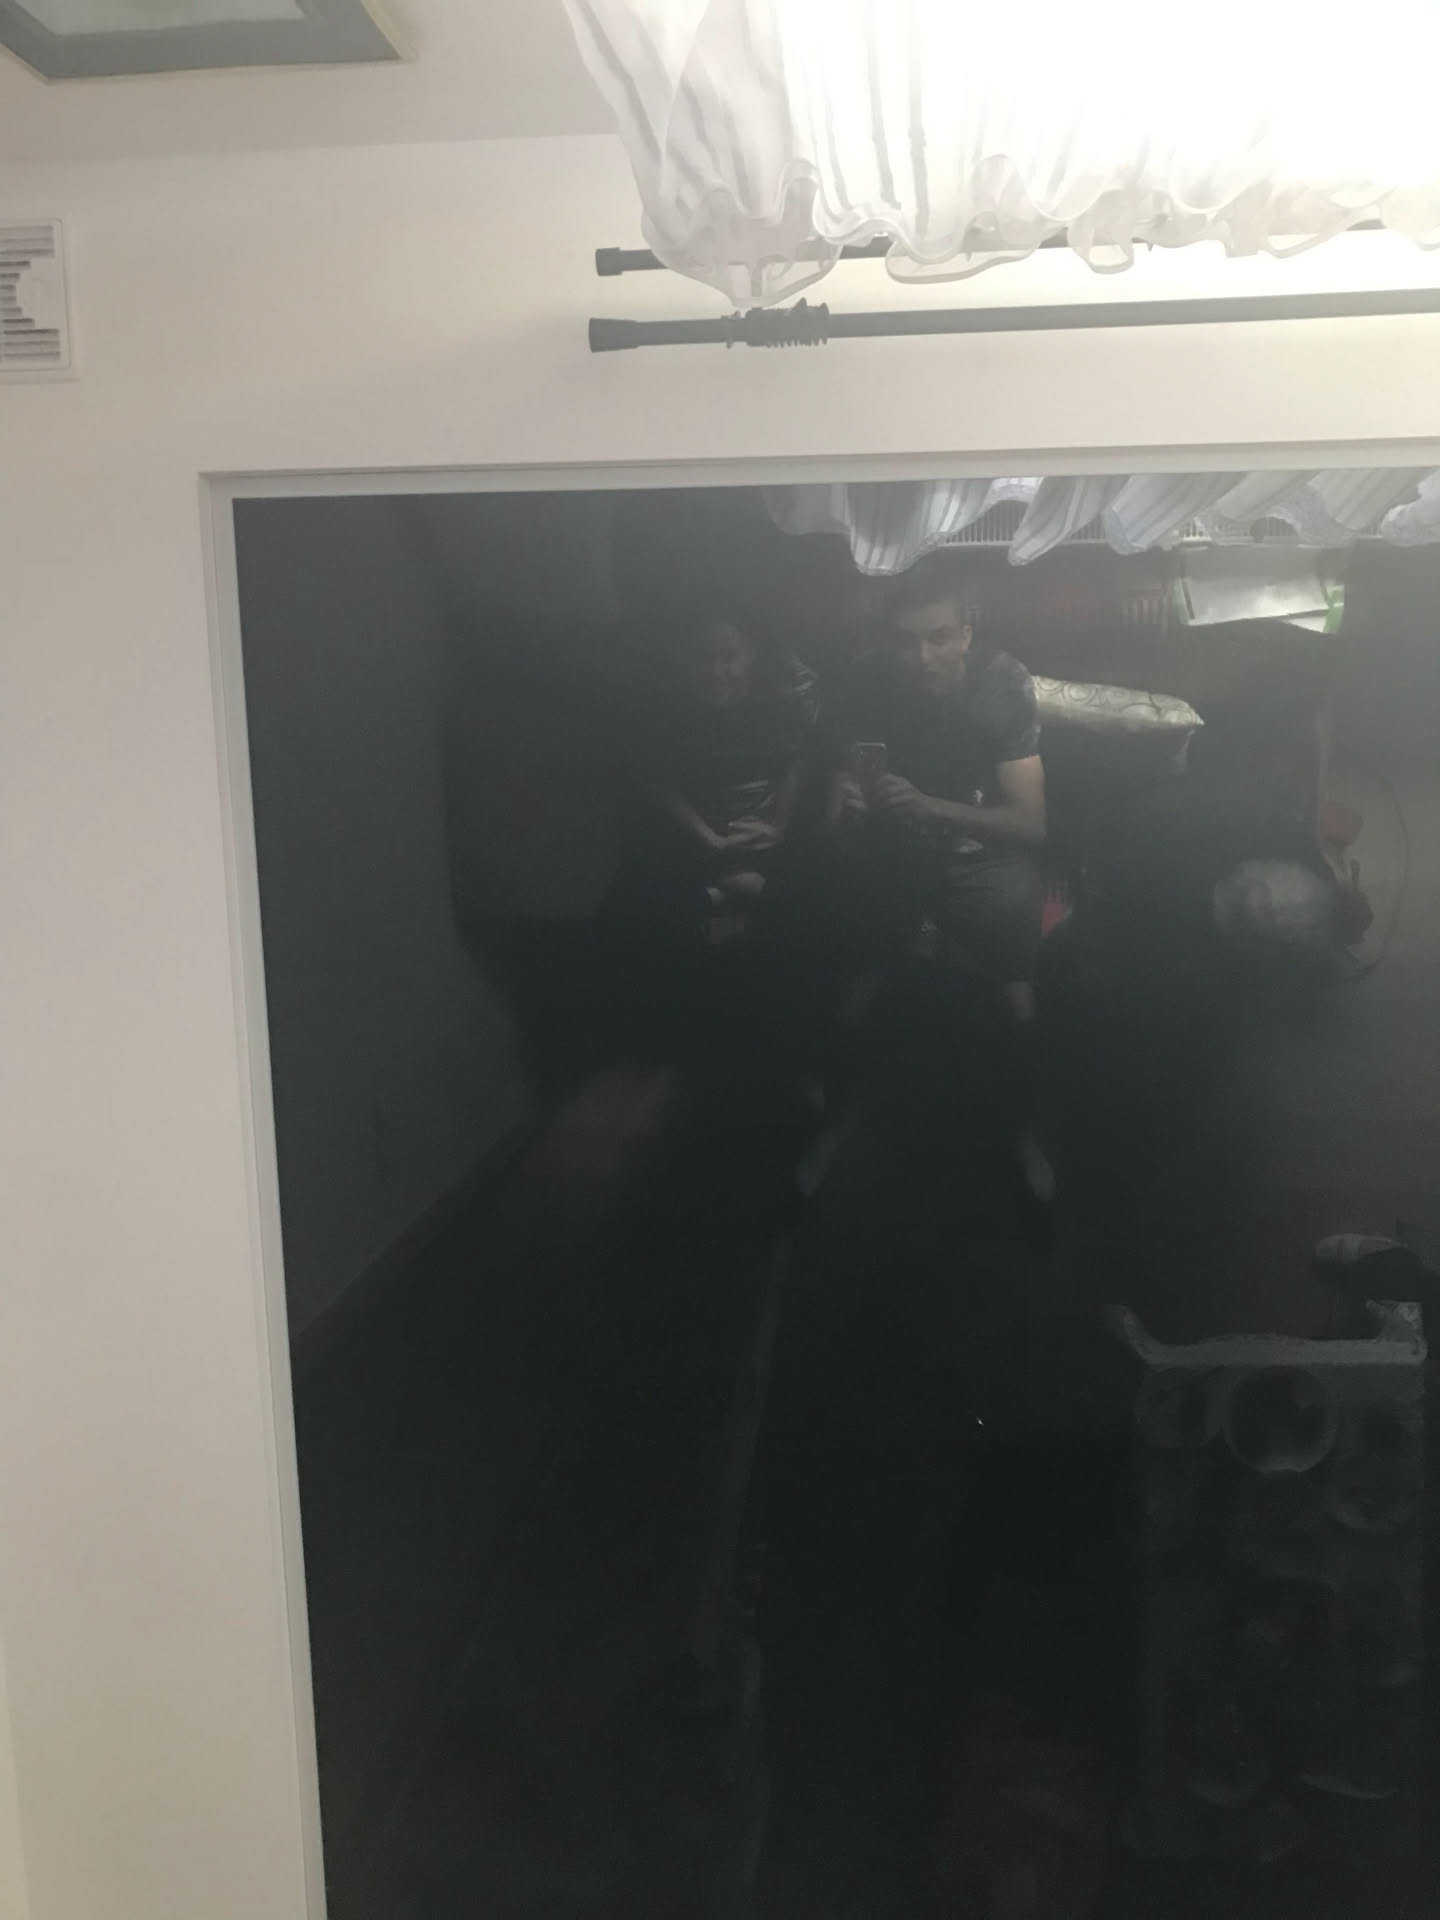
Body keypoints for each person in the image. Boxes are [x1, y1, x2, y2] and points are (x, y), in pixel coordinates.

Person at [827, 557, 1051, 1195]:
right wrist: (844, 805)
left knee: (1016, 967)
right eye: (906, 642)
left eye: (939, 638)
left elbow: (1030, 824)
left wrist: (930, 807)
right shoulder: (864, 680)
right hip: (890, 844)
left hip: (981, 847)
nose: (922, 656)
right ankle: (834, 1113)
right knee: (852, 961)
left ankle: (1027, 1127)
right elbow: (842, 786)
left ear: (966, 635)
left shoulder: (1001, 683)